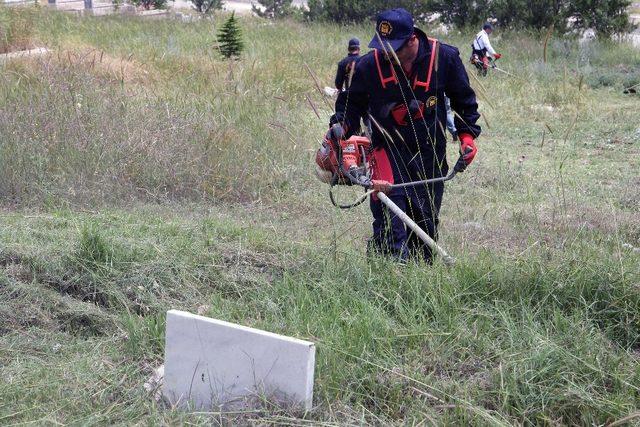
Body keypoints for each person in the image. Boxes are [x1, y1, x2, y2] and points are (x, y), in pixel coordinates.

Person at [332, 8, 481, 263]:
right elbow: (350, 105)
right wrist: (340, 131)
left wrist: (467, 137)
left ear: (412, 39)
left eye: (395, 47)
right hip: (386, 150)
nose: (388, 54)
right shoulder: (369, 65)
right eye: (384, 47)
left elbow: (464, 101)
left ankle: (420, 275)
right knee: (391, 217)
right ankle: (388, 273)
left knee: (425, 222)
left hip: (430, 150)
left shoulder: (444, 58)